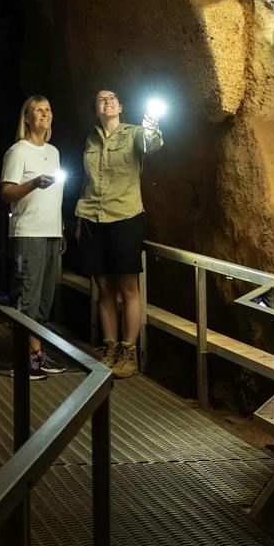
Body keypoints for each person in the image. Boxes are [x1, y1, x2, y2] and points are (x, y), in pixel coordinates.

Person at [74, 88, 161, 378]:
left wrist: (152, 126)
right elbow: (86, 181)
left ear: (121, 106)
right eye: (101, 99)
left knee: (128, 288)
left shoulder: (135, 133)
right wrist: (79, 219)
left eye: (112, 98)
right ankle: (109, 347)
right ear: (96, 109)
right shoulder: (90, 139)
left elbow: (151, 144)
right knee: (104, 288)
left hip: (125, 217)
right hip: (92, 218)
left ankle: (129, 351)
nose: (107, 102)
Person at [0, 95, 69, 378]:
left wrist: (60, 228)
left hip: (50, 232)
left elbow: (56, 196)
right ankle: (22, 359)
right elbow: (6, 194)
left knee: (44, 299)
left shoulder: (54, 152)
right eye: (38, 110)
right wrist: (33, 183)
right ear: (26, 118)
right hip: (28, 233)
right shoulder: (17, 152)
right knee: (26, 296)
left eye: (48, 109)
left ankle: (37, 352)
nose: (45, 113)